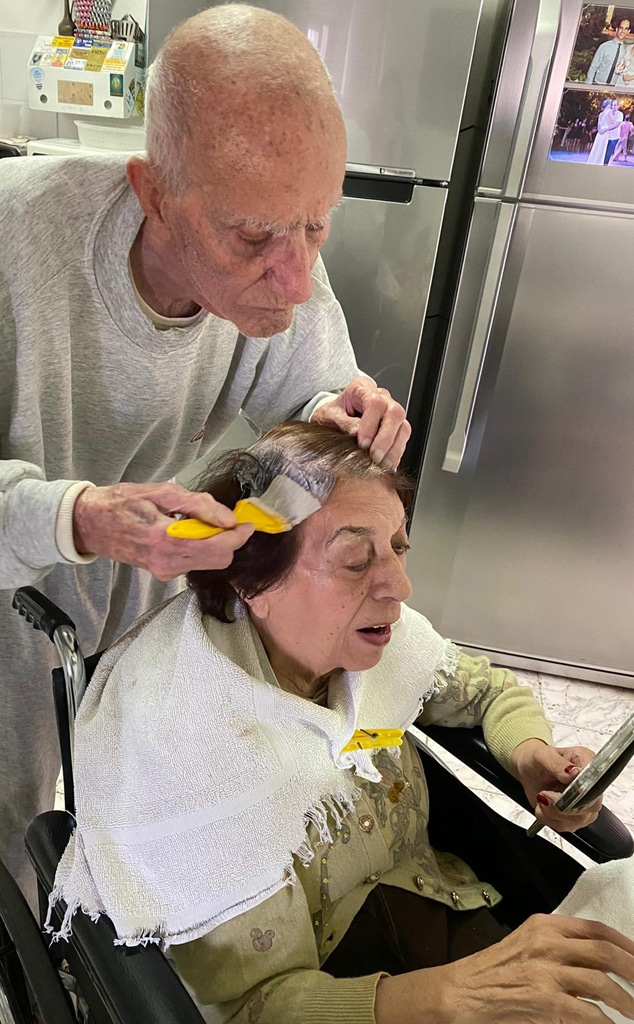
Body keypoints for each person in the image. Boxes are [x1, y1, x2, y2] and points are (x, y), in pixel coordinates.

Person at [0, 4, 409, 902]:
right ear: (153, 194)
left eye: (318, 227)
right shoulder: (15, 239)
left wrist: (337, 416)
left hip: (130, 576)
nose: (294, 279)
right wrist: (78, 518)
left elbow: (309, 386)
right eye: (254, 238)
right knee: (8, 831)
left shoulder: (279, 235)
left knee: (130, 809)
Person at [50, 422, 634, 1024]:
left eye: (399, 547)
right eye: (356, 561)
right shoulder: (195, 751)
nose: (400, 587)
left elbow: (486, 691)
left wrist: (531, 754)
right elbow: (248, 1010)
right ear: (254, 582)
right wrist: (453, 996)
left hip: (439, 905)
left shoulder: (377, 641)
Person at [585, 17, 632, 85]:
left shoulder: (626, 51)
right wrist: (588, 86)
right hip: (597, 84)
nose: (623, 31)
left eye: (626, 29)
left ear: (628, 31)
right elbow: (593, 67)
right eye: (621, 28)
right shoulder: (604, 47)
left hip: (612, 88)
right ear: (617, 29)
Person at [586, 98, 620, 163]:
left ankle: (594, 161)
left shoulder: (601, 114)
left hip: (600, 132)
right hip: (605, 132)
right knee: (602, 148)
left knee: (597, 147)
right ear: (608, 105)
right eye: (611, 104)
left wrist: (600, 131)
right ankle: (599, 161)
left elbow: (599, 125)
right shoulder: (609, 112)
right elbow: (613, 121)